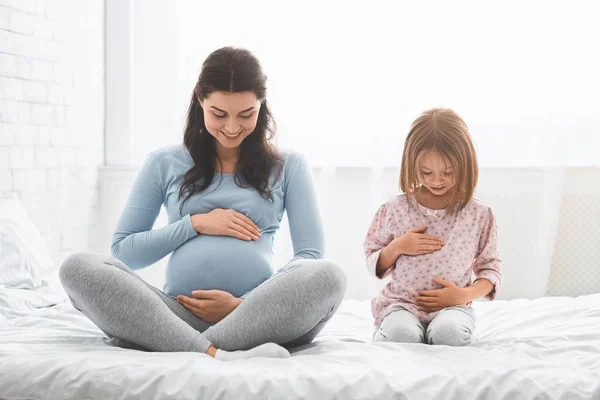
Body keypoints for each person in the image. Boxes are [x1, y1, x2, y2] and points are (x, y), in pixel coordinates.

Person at [59, 47, 347, 361]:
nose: (232, 127)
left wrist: (245, 304)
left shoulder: (288, 165)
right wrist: (195, 224)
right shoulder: (163, 162)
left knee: (328, 276)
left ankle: (184, 346)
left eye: (246, 114)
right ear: (200, 101)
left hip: (256, 319)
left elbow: (310, 256)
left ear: (261, 106)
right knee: (77, 268)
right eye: (219, 114)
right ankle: (214, 352)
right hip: (174, 315)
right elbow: (125, 251)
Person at [364, 108, 502, 346]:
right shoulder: (394, 209)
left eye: (448, 172)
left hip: (454, 308)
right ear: (411, 164)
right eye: (427, 172)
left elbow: (490, 271)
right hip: (401, 306)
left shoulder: (480, 214)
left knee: (448, 334)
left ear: (466, 164)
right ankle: (389, 331)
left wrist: (463, 295)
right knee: (401, 336)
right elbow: (373, 259)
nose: (437, 181)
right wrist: (397, 247)